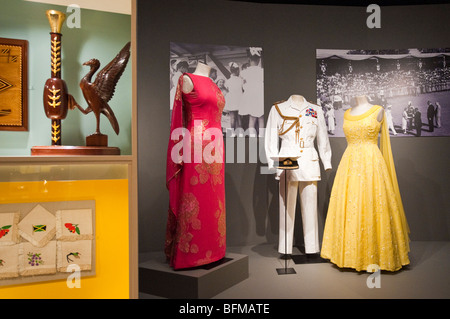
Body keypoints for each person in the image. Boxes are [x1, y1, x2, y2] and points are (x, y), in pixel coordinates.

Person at [321, 95, 410, 271]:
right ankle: (348, 254)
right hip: (349, 164)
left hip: (372, 163)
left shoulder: (379, 111)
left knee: (372, 203)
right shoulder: (346, 113)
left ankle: (377, 256)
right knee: (350, 204)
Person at [165, 62, 226, 270]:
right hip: (197, 146)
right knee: (195, 198)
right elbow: (179, 117)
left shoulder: (215, 85)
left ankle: (214, 250)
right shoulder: (187, 79)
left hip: (216, 147)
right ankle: (189, 255)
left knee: (213, 200)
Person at [265, 95, 332, 256]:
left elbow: (323, 137)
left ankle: (312, 247)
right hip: (287, 158)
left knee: (310, 206)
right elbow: (270, 139)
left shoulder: (315, 109)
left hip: (309, 159)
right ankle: (285, 247)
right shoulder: (278, 109)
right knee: (286, 207)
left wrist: (326, 161)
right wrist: (273, 164)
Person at [224, 62, 243, 136]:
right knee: (239, 118)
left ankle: (232, 133)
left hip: (231, 101)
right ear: (237, 70)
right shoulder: (240, 80)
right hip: (239, 101)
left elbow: (227, 90)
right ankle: (241, 133)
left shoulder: (228, 81)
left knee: (232, 118)